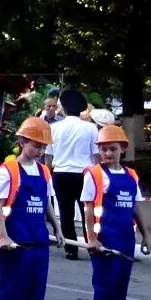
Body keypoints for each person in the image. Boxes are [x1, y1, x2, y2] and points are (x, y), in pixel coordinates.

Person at [0, 116, 62, 300]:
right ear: (22, 142)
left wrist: (57, 227)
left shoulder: (44, 172)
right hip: (17, 240)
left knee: (35, 288)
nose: (40, 150)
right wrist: (3, 236)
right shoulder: (7, 171)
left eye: (43, 147)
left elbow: (46, 202)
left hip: (38, 239)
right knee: (14, 287)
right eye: (35, 145)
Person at [82, 125, 151, 300]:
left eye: (112, 148)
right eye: (103, 149)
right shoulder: (95, 174)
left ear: (123, 149)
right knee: (105, 283)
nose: (108, 153)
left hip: (126, 237)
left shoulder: (131, 175)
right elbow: (88, 208)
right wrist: (92, 239)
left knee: (121, 283)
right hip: (105, 238)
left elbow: (135, 207)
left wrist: (146, 235)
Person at [50, 89, 99, 260]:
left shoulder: (54, 128)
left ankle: (71, 249)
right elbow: (96, 155)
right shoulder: (91, 128)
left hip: (60, 173)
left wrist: (48, 174)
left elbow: (48, 155)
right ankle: (91, 244)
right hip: (84, 174)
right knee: (87, 211)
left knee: (65, 212)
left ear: (63, 108)